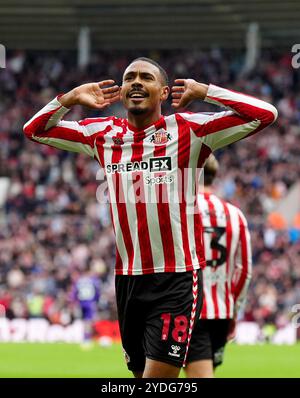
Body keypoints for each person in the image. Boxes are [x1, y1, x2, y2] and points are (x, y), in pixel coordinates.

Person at [23, 57, 277, 378]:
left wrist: (207, 92)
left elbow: (266, 114)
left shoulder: (189, 130)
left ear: (163, 92)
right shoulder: (103, 134)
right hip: (128, 279)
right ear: (123, 90)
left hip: (176, 277)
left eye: (146, 77)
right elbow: (34, 130)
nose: (137, 82)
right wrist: (69, 99)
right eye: (130, 77)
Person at [185, 154, 252, 377]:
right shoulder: (235, 215)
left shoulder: (182, 210)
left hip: (189, 309)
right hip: (221, 310)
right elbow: (243, 270)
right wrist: (234, 309)